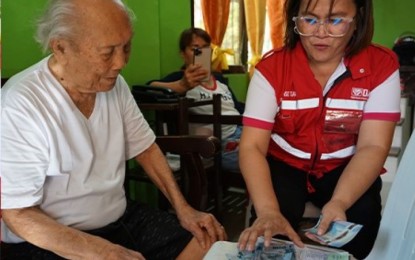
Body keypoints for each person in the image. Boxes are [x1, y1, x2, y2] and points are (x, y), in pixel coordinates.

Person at [0, 0, 227, 259]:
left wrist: (183, 209)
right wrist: (104, 252)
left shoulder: (115, 85)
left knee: (207, 243)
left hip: (119, 219)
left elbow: (145, 148)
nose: (120, 63)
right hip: (51, 239)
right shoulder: (21, 103)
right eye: (107, 52)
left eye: (126, 47)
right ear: (61, 47)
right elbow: (17, 213)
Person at [237, 0, 400, 259]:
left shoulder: (381, 67)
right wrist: (268, 211)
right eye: (310, 19)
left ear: (357, 19)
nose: (320, 32)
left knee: (362, 215)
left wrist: (339, 202)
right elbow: (252, 146)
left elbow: (373, 146)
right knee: (272, 228)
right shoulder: (272, 69)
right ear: (295, 18)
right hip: (286, 162)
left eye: (335, 20)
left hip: (343, 164)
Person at [148, 28, 243, 173]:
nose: (201, 53)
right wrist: (181, 85)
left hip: (243, 131)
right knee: (265, 158)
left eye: (206, 48)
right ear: (183, 54)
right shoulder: (181, 78)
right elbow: (149, 88)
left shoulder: (219, 79)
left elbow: (237, 108)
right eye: (195, 49)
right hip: (220, 143)